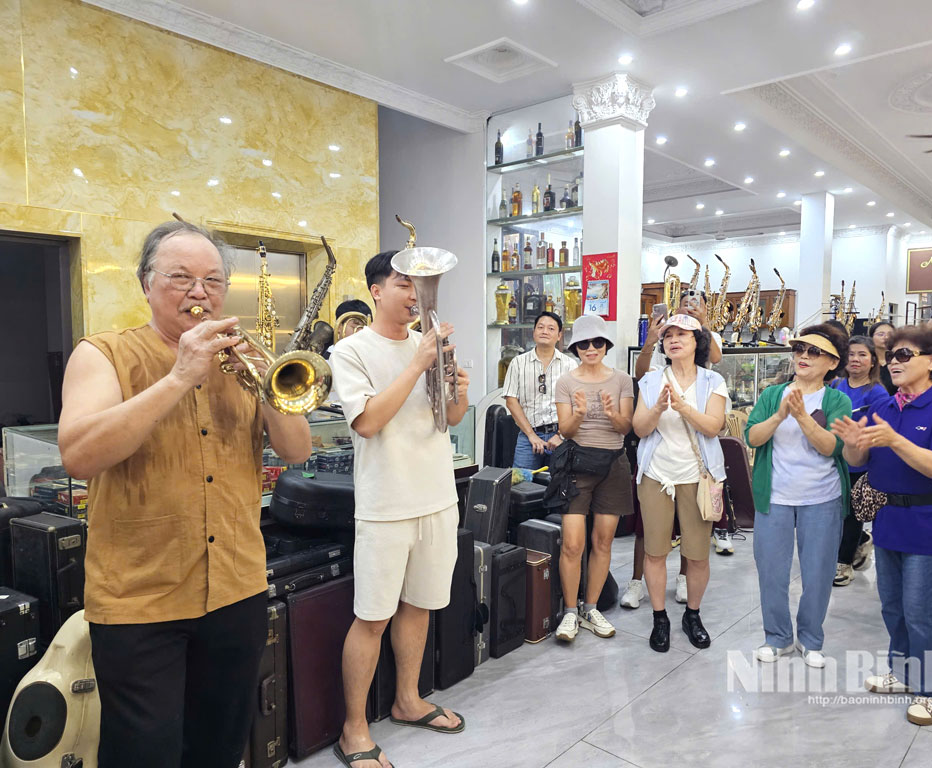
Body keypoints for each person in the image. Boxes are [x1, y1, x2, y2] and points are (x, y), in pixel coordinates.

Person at [57, 221, 313, 768]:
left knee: (219, 748)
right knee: (142, 753)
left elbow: (296, 450)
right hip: (139, 600)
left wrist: (267, 384)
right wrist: (178, 377)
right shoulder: (102, 354)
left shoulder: (241, 360)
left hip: (236, 589)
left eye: (212, 280)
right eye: (180, 277)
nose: (199, 292)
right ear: (145, 284)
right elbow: (78, 454)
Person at [330, 251, 470, 768]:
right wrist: (418, 364)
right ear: (376, 291)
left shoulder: (429, 344)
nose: (414, 295)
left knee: (420, 605)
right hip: (386, 504)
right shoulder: (351, 351)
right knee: (372, 617)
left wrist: (457, 390)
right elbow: (367, 422)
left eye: (420, 285)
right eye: (403, 283)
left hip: (437, 496)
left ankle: (407, 700)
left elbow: (447, 421)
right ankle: (353, 729)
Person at [832, 324, 932, 726]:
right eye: (890, 356)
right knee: (893, 606)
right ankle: (904, 672)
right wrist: (854, 443)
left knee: (920, 611)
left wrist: (894, 440)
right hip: (889, 519)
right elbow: (858, 464)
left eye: (904, 355)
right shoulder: (885, 407)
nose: (893, 363)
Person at [744, 323, 852, 668]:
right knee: (771, 571)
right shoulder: (772, 394)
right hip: (774, 496)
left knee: (818, 572)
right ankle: (777, 637)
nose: (804, 356)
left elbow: (832, 447)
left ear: (833, 363)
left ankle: (811, 638)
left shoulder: (838, 400)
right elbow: (753, 438)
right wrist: (779, 415)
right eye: (800, 350)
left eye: (815, 352)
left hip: (822, 497)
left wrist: (803, 417)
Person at [632, 315, 728, 652]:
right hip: (657, 474)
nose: (674, 340)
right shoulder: (651, 381)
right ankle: (660, 618)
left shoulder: (713, 380)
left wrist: (683, 407)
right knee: (655, 551)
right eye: (668, 335)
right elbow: (640, 429)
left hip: (698, 477)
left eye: (682, 335)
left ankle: (692, 614)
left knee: (698, 555)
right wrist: (658, 407)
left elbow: (713, 426)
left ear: (697, 341)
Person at [552, 314, 634, 643]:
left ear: (606, 346)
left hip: (613, 464)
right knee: (573, 543)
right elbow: (565, 430)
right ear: (575, 348)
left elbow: (626, 427)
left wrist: (614, 413)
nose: (591, 348)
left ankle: (591, 607)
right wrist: (580, 413)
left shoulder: (622, 380)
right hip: (576, 464)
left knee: (603, 540)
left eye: (597, 342)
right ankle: (570, 612)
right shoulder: (566, 382)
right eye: (583, 343)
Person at [831, 335, 889, 587]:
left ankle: (843, 564)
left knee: (852, 516)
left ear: (873, 360)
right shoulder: (836, 385)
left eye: (862, 355)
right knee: (837, 513)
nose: (855, 359)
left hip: (860, 464)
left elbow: (879, 431)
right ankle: (860, 542)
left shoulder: (876, 392)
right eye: (851, 354)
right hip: (835, 460)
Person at [502, 311, 577, 470]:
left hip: (561, 437)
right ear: (533, 332)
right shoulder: (518, 363)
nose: (544, 331)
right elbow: (511, 401)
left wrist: (561, 436)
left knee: (560, 488)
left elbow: (576, 404)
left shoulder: (570, 365)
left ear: (559, 335)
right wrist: (531, 435)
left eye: (551, 328)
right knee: (521, 485)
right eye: (540, 327)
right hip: (527, 436)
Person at [869, 321, 897, 395]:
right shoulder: (867, 362)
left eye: (890, 334)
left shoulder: (898, 361)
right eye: (881, 334)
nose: (886, 337)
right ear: (871, 337)